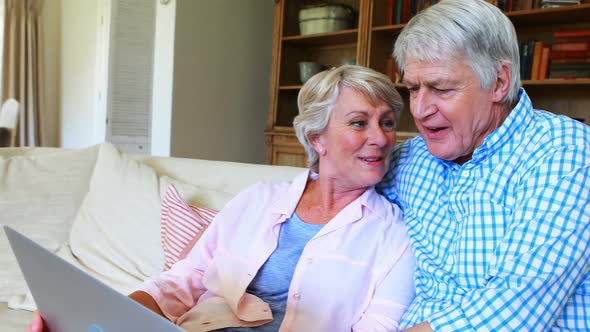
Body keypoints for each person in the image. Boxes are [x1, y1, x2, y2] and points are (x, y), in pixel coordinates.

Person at [29, 65, 415, 332]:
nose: (381, 138)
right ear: (317, 138)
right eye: (359, 123)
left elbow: (377, 326)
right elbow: (187, 278)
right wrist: (107, 315)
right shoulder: (258, 200)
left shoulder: (393, 233)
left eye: (386, 123)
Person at [376, 0, 590, 331]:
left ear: (499, 82)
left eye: (441, 88)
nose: (418, 110)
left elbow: (514, 310)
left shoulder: (565, 153)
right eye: (413, 89)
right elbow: (341, 187)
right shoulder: (410, 158)